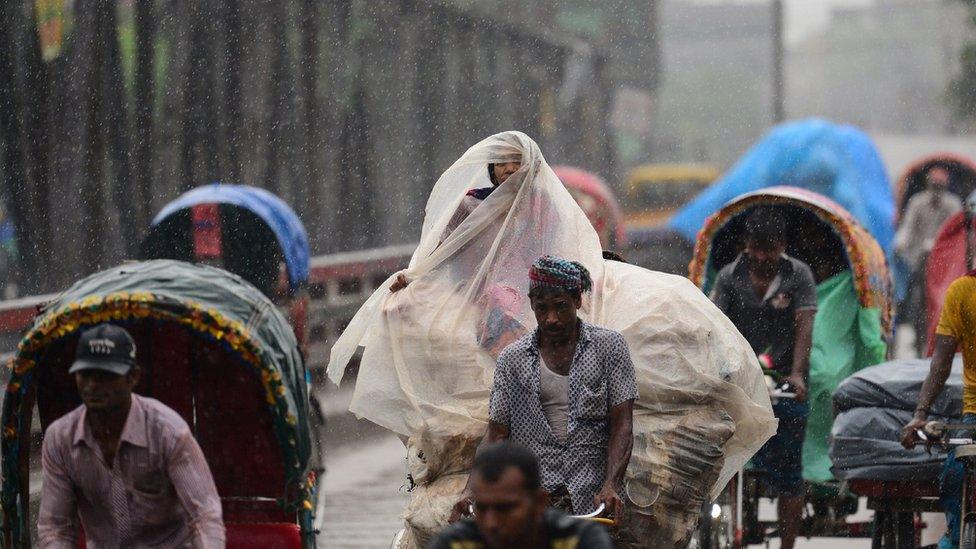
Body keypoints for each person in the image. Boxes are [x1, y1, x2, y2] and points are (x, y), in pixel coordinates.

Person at [450, 255, 638, 522]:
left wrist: (611, 486)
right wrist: (471, 490)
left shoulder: (609, 347)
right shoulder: (512, 360)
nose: (551, 319)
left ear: (577, 301)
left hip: (592, 499)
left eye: (561, 307)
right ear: (532, 305)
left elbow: (622, 424)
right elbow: (496, 435)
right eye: (542, 308)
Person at [38, 324, 225, 548]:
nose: (93, 385)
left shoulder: (168, 432)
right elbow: (55, 528)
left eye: (106, 375)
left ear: (133, 376)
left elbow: (204, 516)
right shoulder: (60, 439)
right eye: (86, 375)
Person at [708, 207, 816, 549]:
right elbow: (715, 324)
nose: (761, 256)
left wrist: (797, 374)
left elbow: (804, 327)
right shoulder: (728, 276)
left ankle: (787, 544)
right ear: (746, 244)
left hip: (783, 380)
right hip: (741, 381)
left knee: (788, 473)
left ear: (781, 245)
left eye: (769, 249)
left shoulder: (799, 275)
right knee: (718, 457)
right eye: (755, 248)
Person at [901, 271, 976, 549]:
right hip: (974, 413)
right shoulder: (962, 291)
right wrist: (921, 414)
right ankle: (957, 534)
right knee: (955, 473)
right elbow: (941, 363)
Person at [430, 441, 614, 549]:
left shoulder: (579, 541)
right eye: (482, 508)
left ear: (540, 502)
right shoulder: (457, 543)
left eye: (505, 508)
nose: (491, 522)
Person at [390, 158, 522, 293]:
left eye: (517, 161)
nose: (510, 169)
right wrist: (415, 277)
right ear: (492, 171)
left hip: (529, 299)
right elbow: (445, 248)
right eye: (501, 163)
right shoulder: (472, 204)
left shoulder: (539, 203)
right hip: (475, 295)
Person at [895, 167, 962, 354]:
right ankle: (914, 331)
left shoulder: (953, 205)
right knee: (913, 297)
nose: (936, 190)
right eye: (934, 185)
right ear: (927, 185)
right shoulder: (918, 203)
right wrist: (901, 242)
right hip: (919, 259)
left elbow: (955, 231)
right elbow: (907, 228)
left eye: (940, 186)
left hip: (944, 262)